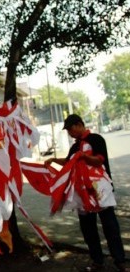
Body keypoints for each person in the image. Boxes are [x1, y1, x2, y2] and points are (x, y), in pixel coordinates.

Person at [45, 114, 128, 272]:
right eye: (68, 130)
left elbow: (99, 160)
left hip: (100, 191)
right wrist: (53, 160)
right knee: (88, 231)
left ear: (79, 124)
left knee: (111, 228)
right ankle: (97, 261)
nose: (70, 133)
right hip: (81, 194)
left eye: (71, 129)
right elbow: (69, 161)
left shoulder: (96, 139)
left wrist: (84, 157)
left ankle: (120, 261)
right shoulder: (75, 147)